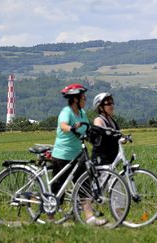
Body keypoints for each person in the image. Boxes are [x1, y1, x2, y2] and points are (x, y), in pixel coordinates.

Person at [51, 83, 106, 226]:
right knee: (58, 189)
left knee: (84, 186)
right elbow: (63, 125)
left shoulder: (82, 114)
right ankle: (50, 219)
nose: (85, 99)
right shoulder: (67, 112)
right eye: (83, 97)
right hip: (62, 155)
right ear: (75, 99)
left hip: (78, 155)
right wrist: (70, 127)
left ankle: (90, 218)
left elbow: (87, 130)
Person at [91, 92, 122, 165]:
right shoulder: (98, 120)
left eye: (112, 103)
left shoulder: (112, 121)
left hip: (111, 158)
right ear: (101, 107)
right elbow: (100, 133)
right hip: (101, 159)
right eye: (108, 104)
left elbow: (117, 134)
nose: (111, 105)